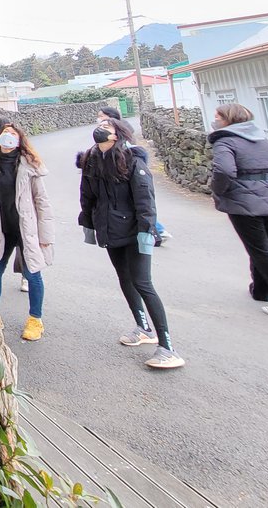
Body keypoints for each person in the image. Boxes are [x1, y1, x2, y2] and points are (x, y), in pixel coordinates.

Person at [78, 117, 185, 369]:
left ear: (117, 135)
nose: (99, 129)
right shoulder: (91, 162)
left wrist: (146, 234)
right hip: (110, 231)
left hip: (135, 232)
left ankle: (168, 347)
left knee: (143, 283)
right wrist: (90, 227)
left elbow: (145, 203)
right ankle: (143, 328)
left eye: (106, 126)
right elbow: (87, 197)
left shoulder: (133, 162)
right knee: (125, 279)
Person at [209, 103, 268, 323]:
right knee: (267, 249)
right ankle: (261, 291)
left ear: (228, 120)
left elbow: (224, 170)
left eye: (218, 117)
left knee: (261, 251)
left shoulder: (225, 140)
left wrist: (218, 190)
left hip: (243, 199)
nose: (215, 120)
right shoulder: (260, 138)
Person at [0, 121, 54, 341]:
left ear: (19, 140)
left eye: (12, 134)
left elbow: (42, 201)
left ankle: (35, 319)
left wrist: (45, 235)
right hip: (1, 228)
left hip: (26, 228)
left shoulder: (29, 165)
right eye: (4, 133)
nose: (7, 137)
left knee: (33, 274)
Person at [96, 105, 170, 244]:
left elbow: (144, 198)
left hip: (124, 180)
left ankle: (156, 231)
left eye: (101, 116)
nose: (99, 119)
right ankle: (155, 231)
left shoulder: (129, 155)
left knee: (134, 204)